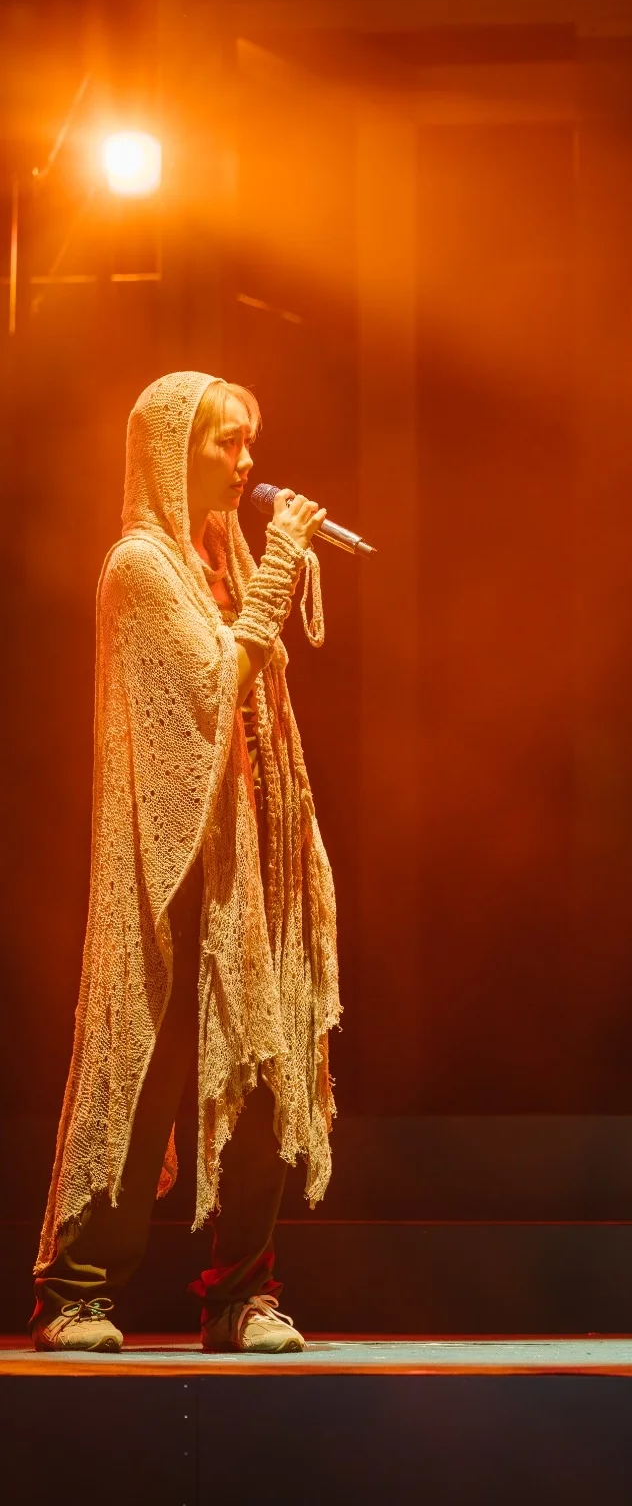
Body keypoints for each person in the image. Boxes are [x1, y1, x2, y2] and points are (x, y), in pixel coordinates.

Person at [31, 371, 341, 1354]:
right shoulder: (138, 565)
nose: (247, 462)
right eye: (226, 442)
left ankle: (241, 1294)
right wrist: (281, 566)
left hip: (247, 856)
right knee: (146, 1068)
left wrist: (266, 567)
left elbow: (261, 697)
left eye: (251, 441)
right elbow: (213, 685)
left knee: (259, 1073)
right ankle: (77, 1289)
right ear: (171, 448)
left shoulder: (223, 553)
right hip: (171, 862)